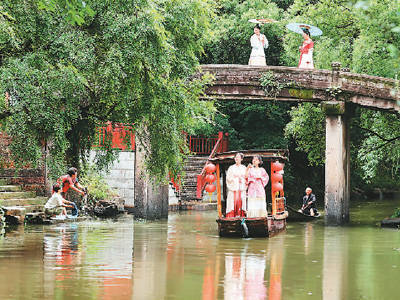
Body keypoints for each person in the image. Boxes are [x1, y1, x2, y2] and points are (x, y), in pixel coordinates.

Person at [226, 152, 247, 218]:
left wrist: (242, 179)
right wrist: (236, 179)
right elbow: (228, 178)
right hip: (233, 189)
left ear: (241, 159)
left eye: (238, 157)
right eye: (235, 157)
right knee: (232, 202)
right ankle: (231, 216)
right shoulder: (231, 168)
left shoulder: (244, 168)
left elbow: (246, 178)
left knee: (242, 201)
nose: (236, 158)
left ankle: (242, 216)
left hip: (241, 188)